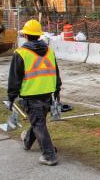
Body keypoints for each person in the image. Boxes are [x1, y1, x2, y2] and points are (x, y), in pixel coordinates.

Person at [7, 19, 62, 166]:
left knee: (38, 123)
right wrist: (57, 92)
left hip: (31, 96)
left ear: (25, 35)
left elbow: (14, 78)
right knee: (38, 121)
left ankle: (49, 155)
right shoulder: (49, 51)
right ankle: (27, 142)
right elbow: (56, 73)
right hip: (47, 95)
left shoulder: (20, 53)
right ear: (39, 35)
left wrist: (11, 97)